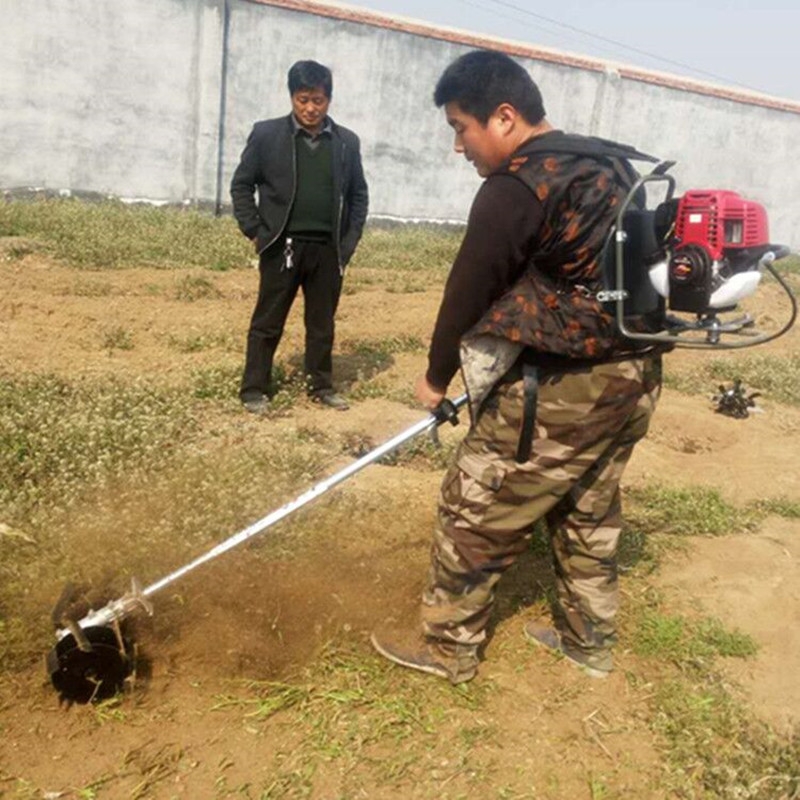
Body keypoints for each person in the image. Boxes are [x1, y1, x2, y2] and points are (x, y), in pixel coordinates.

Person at [370, 50, 663, 683]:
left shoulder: (517, 186)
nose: (458, 146)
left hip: (569, 386)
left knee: (474, 503)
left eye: (460, 127)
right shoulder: (606, 160)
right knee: (586, 506)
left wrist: (435, 376)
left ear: (503, 117)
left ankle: (450, 649)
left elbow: (469, 291)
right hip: (636, 375)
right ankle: (589, 645)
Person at [231, 59, 369, 413]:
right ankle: (254, 389)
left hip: (327, 250)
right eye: (303, 99)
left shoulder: (345, 143)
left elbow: (358, 196)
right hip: (282, 247)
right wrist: (256, 232)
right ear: (292, 97)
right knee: (267, 322)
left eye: (318, 100)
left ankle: (321, 387)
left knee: (322, 325)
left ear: (329, 100)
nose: (310, 108)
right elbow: (241, 185)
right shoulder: (266, 135)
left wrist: (348, 243)